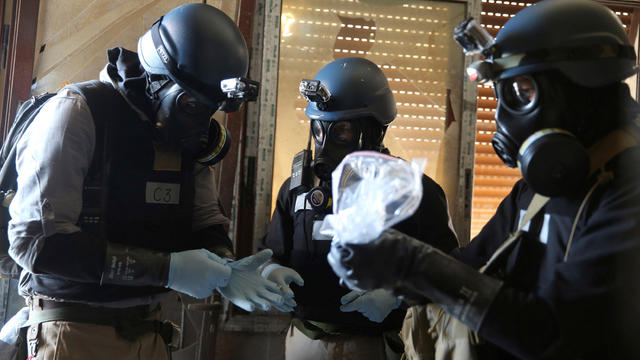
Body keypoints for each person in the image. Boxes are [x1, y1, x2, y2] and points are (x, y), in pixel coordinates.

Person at [328, 0, 640, 359]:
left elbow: (558, 335)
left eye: (522, 93)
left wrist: (414, 265)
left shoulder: (626, 196)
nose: (504, 121)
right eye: (500, 96)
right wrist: (390, 269)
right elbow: (468, 269)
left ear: (582, 88)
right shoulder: (536, 191)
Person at [7, 4, 289, 359]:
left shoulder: (183, 135)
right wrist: (166, 269)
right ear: (157, 80)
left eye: (210, 109)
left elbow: (205, 222)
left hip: (151, 332)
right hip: (74, 330)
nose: (201, 124)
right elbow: (36, 243)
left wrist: (228, 268)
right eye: (190, 105)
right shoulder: (78, 114)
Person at [260, 57, 459, 360]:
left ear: (375, 131)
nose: (325, 145)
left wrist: (396, 298)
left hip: (377, 345)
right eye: (319, 129)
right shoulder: (298, 190)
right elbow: (272, 253)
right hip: (306, 341)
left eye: (342, 131)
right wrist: (269, 270)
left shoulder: (415, 194)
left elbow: (448, 277)